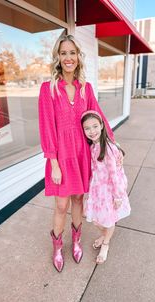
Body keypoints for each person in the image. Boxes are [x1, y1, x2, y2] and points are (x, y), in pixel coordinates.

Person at [38, 34, 114, 272]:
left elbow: (98, 117)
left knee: (79, 200)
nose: (68, 58)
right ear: (57, 58)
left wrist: (113, 145)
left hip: (82, 155)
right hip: (60, 158)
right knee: (61, 205)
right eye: (63, 53)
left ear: (78, 57)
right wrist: (54, 163)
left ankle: (77, 241)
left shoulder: (86, 89)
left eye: (72, 53)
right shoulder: (48, 89)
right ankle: (58, 246)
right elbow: (46, 128)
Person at [81, 110, 131, 264]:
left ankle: (106, 244)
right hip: (98, 189)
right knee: (97, 220)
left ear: (102, 126)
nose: (92, 131)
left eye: (95, 126)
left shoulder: (108, 148)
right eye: (87, 128)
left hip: (110, 190)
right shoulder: (93, 146)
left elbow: (114, 174)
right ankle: (105, 235)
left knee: (108, 220)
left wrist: (117, 196)